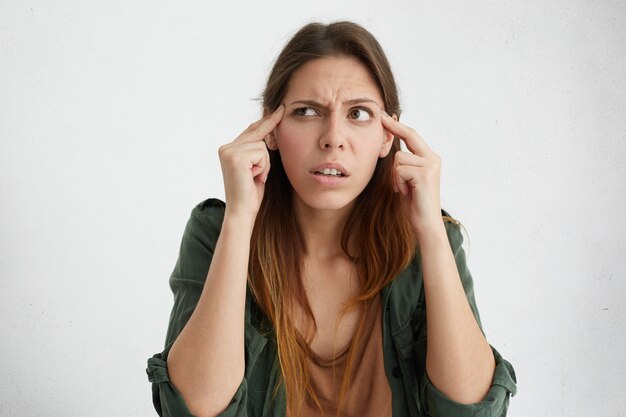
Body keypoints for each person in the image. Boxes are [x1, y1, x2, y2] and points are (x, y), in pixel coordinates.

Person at [146, 21, 517, 417]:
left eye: (358, 113)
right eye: (307, 111)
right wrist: (240, 218)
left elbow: (472, 410)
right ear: (270, 129)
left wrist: (429, 228)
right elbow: (193, 410)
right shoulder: (216, 231)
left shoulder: (429, 240)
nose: (333, 137)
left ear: (387, 136)